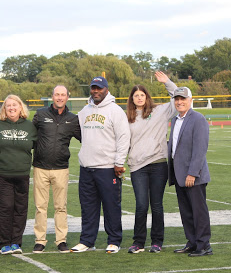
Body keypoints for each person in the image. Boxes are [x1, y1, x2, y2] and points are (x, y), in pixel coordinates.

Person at [71, 76, 130, 254]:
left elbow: (123, 137)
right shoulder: (84, 110)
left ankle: (114, 240)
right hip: (87, 167)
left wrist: (119, 162)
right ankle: (87, 240)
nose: (96, 91)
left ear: (106, 89)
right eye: (93, 88)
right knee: (88, 206)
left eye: (99, 88)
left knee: (111, 206)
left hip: (107, 167)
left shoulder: (116, 111)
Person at [126, 71, 178, 254]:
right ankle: (138, 242)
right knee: (141, 205)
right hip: (137, 166)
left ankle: (157, 242)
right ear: (132, 99)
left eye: (142, 95)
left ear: (147, 97)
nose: (139, 98)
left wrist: (167, 82)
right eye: (136, 95)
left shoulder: (160, 111)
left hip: (157, 164)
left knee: (156, 204)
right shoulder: (127, 117)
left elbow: (177, 98)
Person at [32, 85, 81, 253]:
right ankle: (40, 240)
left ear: (68, 97)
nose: (60, 97)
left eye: (63, 95)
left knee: (61, 206)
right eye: (57, 94)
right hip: (40, 167)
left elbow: (87, 139)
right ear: (52, 96)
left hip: (61, 169)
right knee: (41, 206)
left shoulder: (73, 119)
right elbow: (30, 137)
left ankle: (61, 240)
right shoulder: (40, 115)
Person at [168, 87, 212, 257]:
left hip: (194, 176)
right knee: (186, 212)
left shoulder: (198, 119)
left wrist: (193, 173)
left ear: (190, 100)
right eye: (177, 99)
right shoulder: (175, 120)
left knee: (198, 212)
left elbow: (200, 149)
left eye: (183, 99)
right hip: (179, 175)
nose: (179, 102)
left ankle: (204, 245)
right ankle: (192, 242)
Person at [0, 95, 37, 255]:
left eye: (14, 105)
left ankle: (16, 242)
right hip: (1, 174)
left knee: (20, 209)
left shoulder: (30, 126)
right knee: (5, 208)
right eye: (8, 105)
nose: (11, 108)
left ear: (21, 107)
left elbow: (38, 146)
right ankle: (5, 242)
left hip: (22, 174)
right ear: (4, 109)